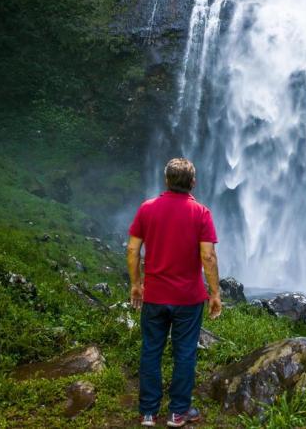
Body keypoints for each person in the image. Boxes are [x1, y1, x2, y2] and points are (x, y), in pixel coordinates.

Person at [127, 157, 222, 427]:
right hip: (189, 299)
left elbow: (133, 249)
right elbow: (209, 257)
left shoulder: (147, 209)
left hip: (154, 295)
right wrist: (214, 293)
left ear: (166, 180)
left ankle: (148, 412)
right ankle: (178, 412)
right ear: (193, 182)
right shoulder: (201, 213)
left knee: (151, 351)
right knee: (185, 353)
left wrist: (136, 284)